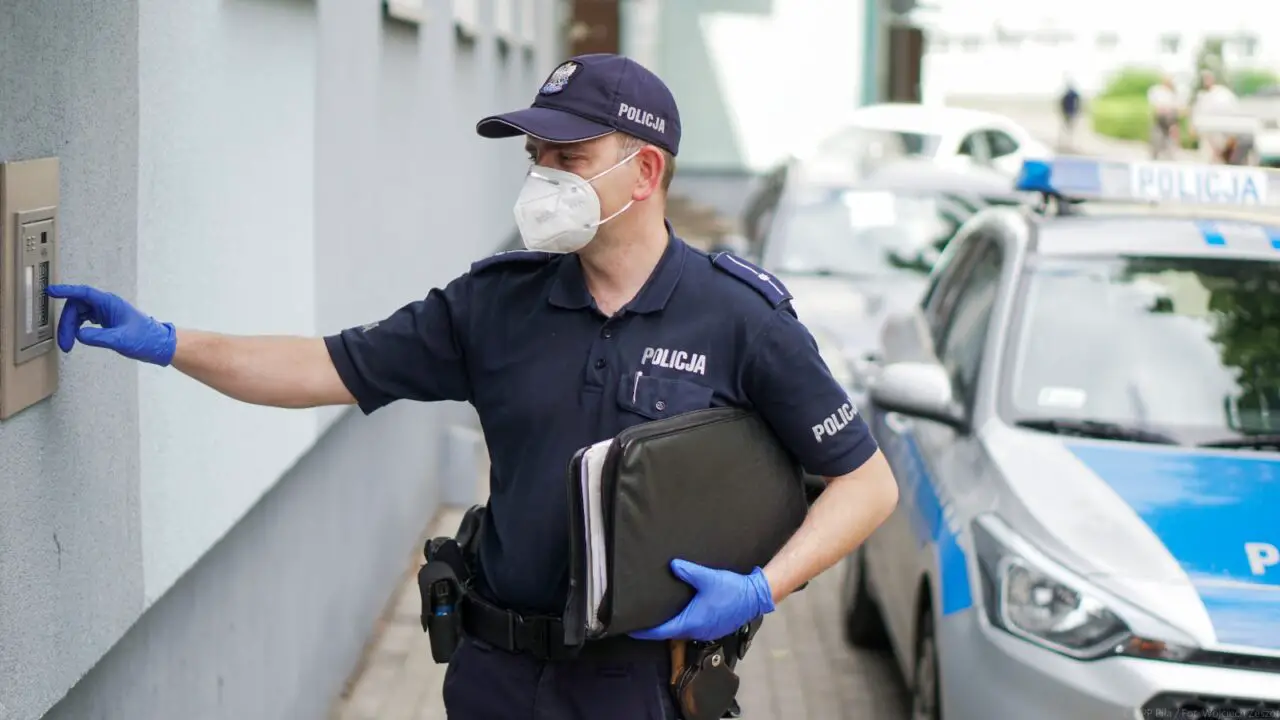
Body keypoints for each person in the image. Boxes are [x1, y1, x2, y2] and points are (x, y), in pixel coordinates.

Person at [47, 53, 899, 719]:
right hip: (496, 677)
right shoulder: (494, 305)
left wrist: (759, 589)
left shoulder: (740, 318)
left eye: (570, 155)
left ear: (644, 173)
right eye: (537, 156)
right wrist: (169, 341)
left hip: (642, 686)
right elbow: (322, 366)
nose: (544, 175)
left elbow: (865, 485)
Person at [1192, 69, 1241, 164]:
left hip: (1221, 136)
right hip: (1208, 137)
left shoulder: (1223, 95)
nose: (1206, 82)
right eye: (1205, 79)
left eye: (1208, 78)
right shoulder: (1204, 97)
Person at [1147, 73, 1182, 160]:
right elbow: (1154, 105)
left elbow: (1177, 107)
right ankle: (1155, 156)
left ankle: (1170, 156)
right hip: (1159, 119)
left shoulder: (1173, 93)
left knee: (1171, 141)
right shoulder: (1156, 91)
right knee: (1156, 140)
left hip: (1171, 119)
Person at [1058, 80, 1081, 151]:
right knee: (1067, 128)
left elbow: (1078, 103)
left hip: (1071, 113)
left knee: (1070, 129)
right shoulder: (1067, 95)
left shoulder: (1072, 94)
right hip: (1069, 113)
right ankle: (1066, 144)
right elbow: (1062, 104)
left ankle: (1070, 144)